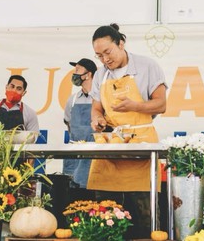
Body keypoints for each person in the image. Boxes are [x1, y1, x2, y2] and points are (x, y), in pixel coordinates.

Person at [88, 23, 167, 238]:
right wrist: (97, 119)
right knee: (104, 215)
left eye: (108, 52)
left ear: (121, 44)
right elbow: (96, 107)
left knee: (144, 217)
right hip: (112, 147)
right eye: (99, 56)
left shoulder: (147, 66)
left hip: (141, 147)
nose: (105, 60)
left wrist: (135, 106)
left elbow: (161, 104)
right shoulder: (100, 75)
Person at [63, 58, 97, 193]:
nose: (74, 74)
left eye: (77, 70)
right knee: (73, 195)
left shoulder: (101, 98)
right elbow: (68, 123)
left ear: (88, 74)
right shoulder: (72, 100)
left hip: (96, 156)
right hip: (75, 156)